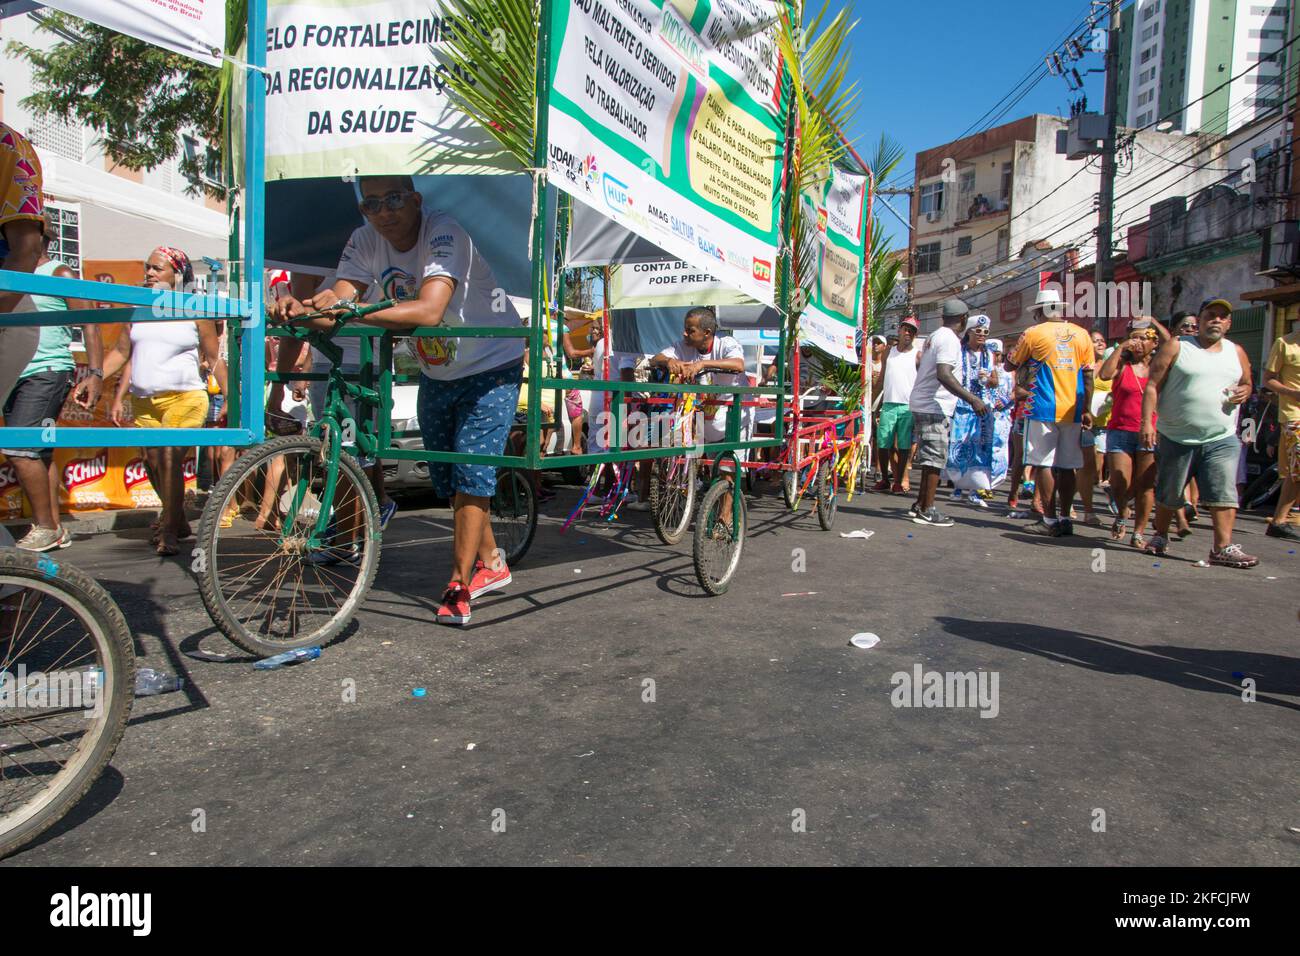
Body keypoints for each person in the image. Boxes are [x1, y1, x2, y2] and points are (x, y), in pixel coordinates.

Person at [273, 175, 524, 624]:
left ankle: (458, 584)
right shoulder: (364, 239)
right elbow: (340, 295)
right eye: (372, 204)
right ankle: (494, 563)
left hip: (492, 362)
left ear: (416, 200)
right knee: (448, 479)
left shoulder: (444, 232)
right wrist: (305, 308)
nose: (384, 211)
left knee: (471, 471)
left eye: (393, 200)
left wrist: (344, 313)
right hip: (437, 368)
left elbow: (428, 311)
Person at [102, 247, 227, 556]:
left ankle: (169, 529)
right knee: (152, 463)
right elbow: (121, 353)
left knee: (169, 457)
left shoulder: (194, 309)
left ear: (177, 274)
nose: (149, 273)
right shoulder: (138, 308)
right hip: (145, 401)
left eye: (157, 268)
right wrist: (93, 375)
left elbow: (213, 359)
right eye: (148, 267)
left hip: (186, 397)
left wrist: (231, 399)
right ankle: (179, 519)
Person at [1, 215, 102, 551]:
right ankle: (55, 527)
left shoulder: (58, 272)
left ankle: (45, 526)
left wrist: (96, 374)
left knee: (19, 447)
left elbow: (89, 323)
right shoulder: (11, 275)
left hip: (47, 370)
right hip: (14, 371)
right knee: (39, 452)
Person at [1140, 299, 1257, 567]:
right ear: (1201, 320)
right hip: (1176, 435)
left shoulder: (1236, 351)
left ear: (1228, 324)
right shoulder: (1178, 346)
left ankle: (1222, 548)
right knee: (1170, 492)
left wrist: (1245, 391)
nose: (1215, 320)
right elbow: (1152, 385)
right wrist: (1147, 422)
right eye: (1210, 316)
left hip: (1221, 436)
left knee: (1224, 491)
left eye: (1221, 317)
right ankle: (1160, 535)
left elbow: (1248, 383)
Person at [1004, 288, 1095, 537]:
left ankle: (1050, 518)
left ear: (1041, 312)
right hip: (1073, 409)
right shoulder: (1082, 334)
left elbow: (1010, 363)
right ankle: (1066, 517)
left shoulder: (1034, 333)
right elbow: (1088, 375)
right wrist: (1086, 408)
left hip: (1042, 406)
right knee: (1067, 466)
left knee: (1044, 463)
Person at [650, 307, 748, 518]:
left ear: (707, 333)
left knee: (727, 471)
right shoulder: (683, 346)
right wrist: (668, 362)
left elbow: (739, 364)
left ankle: (725, 520)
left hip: (734, 415)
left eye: (690, 330)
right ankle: (713, 505)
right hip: (706, 416)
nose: (685, 334)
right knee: (715, 468)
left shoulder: (726, 344)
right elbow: (654, 359)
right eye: (685, 329)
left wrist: (702, 364)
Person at [907, 299, 988, 527]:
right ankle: (927, 509)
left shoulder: (935, 335)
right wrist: (972, 399)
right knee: (935, 458)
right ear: (963, 319)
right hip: (934, 405)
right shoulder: (949, 340)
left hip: (925, 403)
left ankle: (921, 504)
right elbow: (944, 374)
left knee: (930, 459)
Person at [1098, 318, 1165, 548]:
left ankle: (1138, 532)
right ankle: (1123, 510)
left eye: (1142, 337)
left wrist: (1154, 324)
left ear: (1154, 342)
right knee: (1118, 479)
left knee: (1146, 485)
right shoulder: (1122, 365)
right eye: (1133, 336)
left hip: (1150, 432)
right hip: (1120, 430)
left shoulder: (1159, 366)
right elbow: (1105, 375)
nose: (1137, 342)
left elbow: (1173, 342)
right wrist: (1121, 347)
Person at [945, 316, 1013, 505]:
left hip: (983, 408)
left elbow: (995, 382)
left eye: (985, 332)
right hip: (962, 405)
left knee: (980, 449)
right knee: (959, 446)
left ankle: (975, 490)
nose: (982, 335)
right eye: (978, 331)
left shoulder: (989, 355)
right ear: (969, 332)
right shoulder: (959, 352)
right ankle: (958, 487)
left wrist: (987, 380)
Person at [1261, 319, 1300, 540]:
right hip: (1295, 415)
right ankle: (1279, 520)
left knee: (1294, 470)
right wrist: (1292, 393)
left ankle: (1279, 521)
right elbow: (1268, 380)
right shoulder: (1285, 343)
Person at [876, 316, 920, 493]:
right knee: (883, 443)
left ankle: (898, 482)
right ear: (900, 330)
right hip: (888, 404)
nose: (908, 333)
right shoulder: (888, 352)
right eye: (906, 329)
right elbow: (882, 378)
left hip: (907, 406)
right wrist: (872, 403)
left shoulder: (917, 355)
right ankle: (885, 479)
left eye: (912, 331)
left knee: (903, 447)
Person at [1076, 329, 1112, 526]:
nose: (1099, 344)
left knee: (1092, 470)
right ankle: (1088, 511)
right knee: (1086, 467)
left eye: (1102, 341)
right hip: (1085, 422)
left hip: (1105, 424)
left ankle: (1063, 495)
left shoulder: (1111, 365)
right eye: (1094, 341)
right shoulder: (1083, 365)